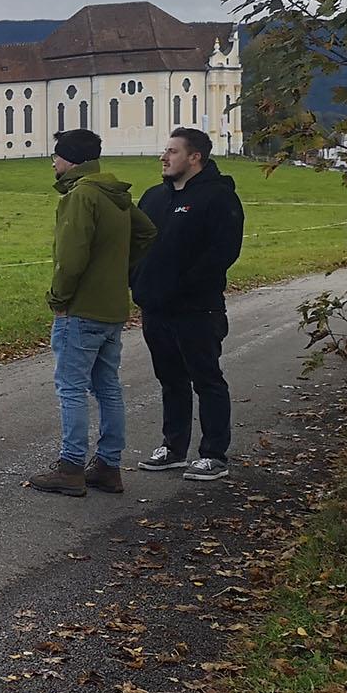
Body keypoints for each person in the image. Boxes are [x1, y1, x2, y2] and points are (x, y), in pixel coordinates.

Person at [28, 128, 157, 498]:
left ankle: (71, 467)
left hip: (81, 309)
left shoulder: (81, 195)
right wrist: (118, 269)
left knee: (71, 388)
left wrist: (58, 297)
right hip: (113, 308)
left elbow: (71, 258)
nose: (53, 162)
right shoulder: (114, 193)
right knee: (107, 387)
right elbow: (147, 232)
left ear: (70, 160)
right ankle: (108, 466)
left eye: (56, 155)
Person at [131, 127, 245, 482]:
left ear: (195, 157)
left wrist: (182, 287)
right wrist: (137, 282)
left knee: (206, 378)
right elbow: (133, 245)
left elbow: (222, 253)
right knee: (170, 380)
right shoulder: (152, 198)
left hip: (197, 308)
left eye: (173, 152)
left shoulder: (217, 198)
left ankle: (213, 453)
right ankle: (173, 448)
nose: (164, 158)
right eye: (165, 152)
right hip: (156, 309)